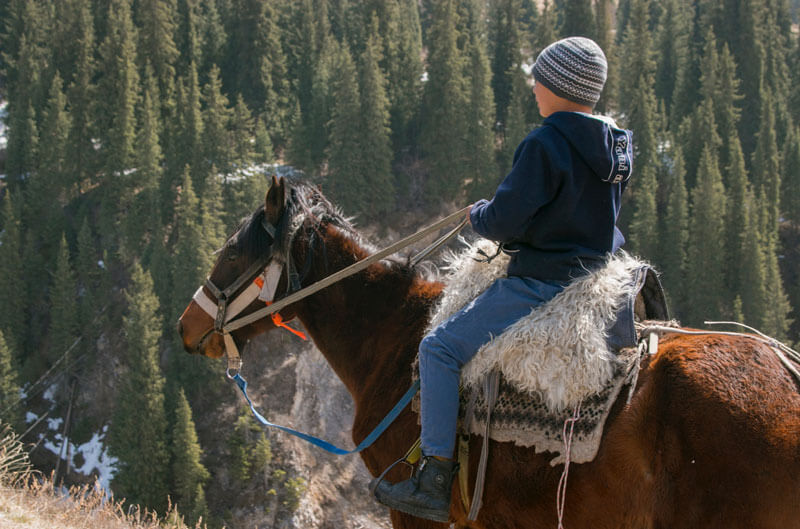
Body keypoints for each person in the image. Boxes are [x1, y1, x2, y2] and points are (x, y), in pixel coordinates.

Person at [372, 36, 634, 522]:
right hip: (598, 274)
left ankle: (433, 478)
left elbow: (506, 222)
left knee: (439, 349)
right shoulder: (617, 144)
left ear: (559, 85)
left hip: (544, 281)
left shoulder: (545, 143)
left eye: (541, 78)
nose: (534, 86)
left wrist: (481, 215)